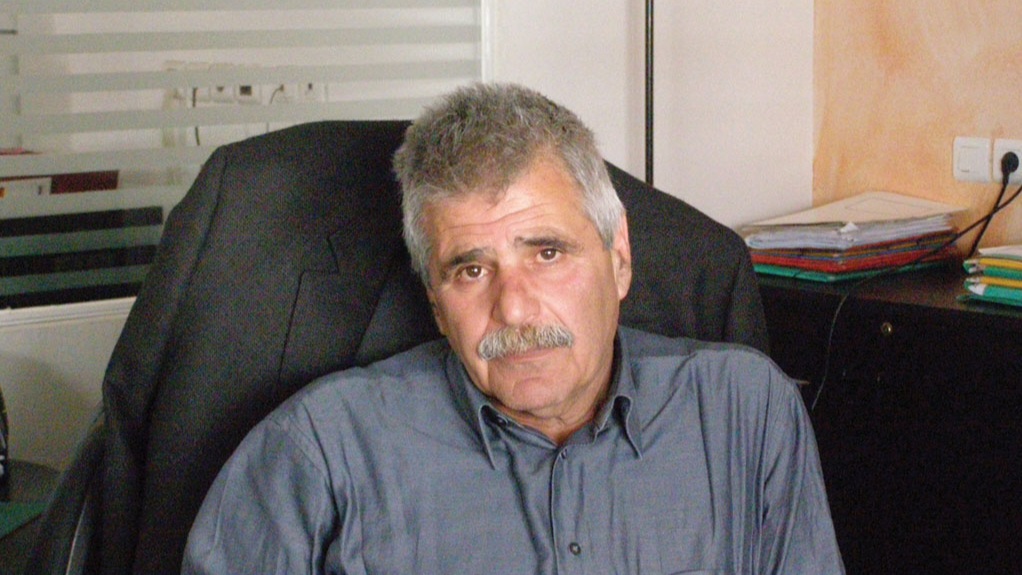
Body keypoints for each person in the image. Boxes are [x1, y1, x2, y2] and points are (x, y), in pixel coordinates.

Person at [182, 83, 844, 574]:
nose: (516, 309)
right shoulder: (322, 449)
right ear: (435, 301)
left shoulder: (743, 411)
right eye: (471, 270)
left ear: (618, 258)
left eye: (547, 253)